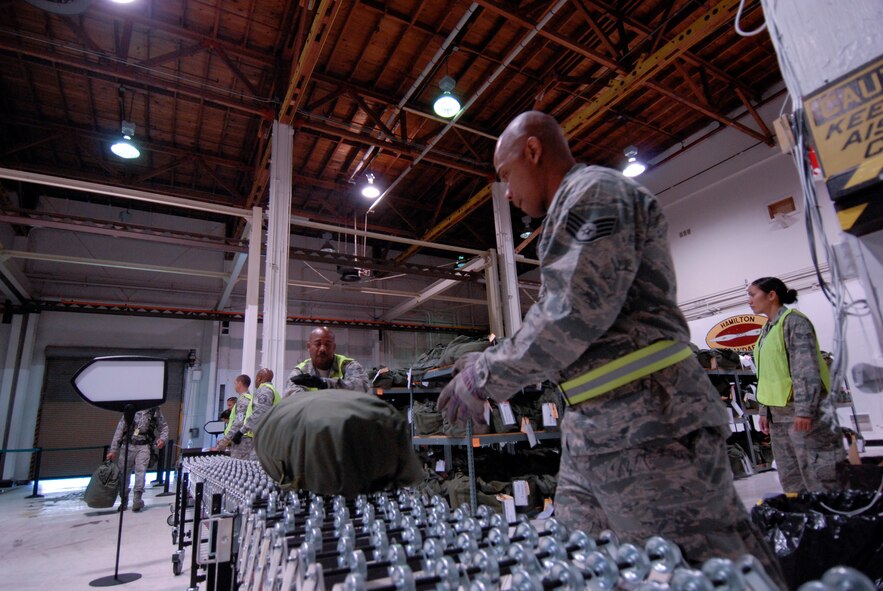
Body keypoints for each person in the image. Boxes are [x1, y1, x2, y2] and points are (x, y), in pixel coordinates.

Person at [437, 111, 784, 580]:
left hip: (652, 422)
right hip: (596, 426)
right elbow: (560, 313)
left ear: (534, 151)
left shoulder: (596, 194)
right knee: (581, 561)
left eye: (506, 176)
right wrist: (489, 358)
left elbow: (574, 311)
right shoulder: (568, 213)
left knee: (704, 571)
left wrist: (487, 376)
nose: (508, 193)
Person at [748, 276, 845, 492]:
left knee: (819, 475)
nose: (749, 300)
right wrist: (764, 410)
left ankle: (831, 521)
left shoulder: (794, 322)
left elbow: (805, 369)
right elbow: (767, 375)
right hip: (779, 417)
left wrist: (804, 411)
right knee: (792, 480)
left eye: (752, 294)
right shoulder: (766, 330)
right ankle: (803, 522)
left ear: (771, 295)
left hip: (802, 415)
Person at [107, 406, 168, 512]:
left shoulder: (154, 410)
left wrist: (162, 439)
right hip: (127, 445)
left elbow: (164, 427)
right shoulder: (131, 409)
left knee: (141, 473)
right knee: (123, 474)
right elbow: (120, 429)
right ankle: (124, 500)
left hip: (144, 446)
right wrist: (113, 450)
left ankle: (137, 500)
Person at [285, 327, 370, 395]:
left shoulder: (348, 365)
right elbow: (293, 400)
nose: (322, 349)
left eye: (328, 345)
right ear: (308, 347)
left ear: (334, 347)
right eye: (317, 344)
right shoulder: (300, 372)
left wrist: (324, 383)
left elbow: (362, 388)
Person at [218, 369, 280, 460]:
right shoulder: (272, 391)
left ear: (259, 378)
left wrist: (238, 433)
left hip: (260, 437)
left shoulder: (264, 390)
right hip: (267, 435)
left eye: (235, 383)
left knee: (245, 468)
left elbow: (257, 414)